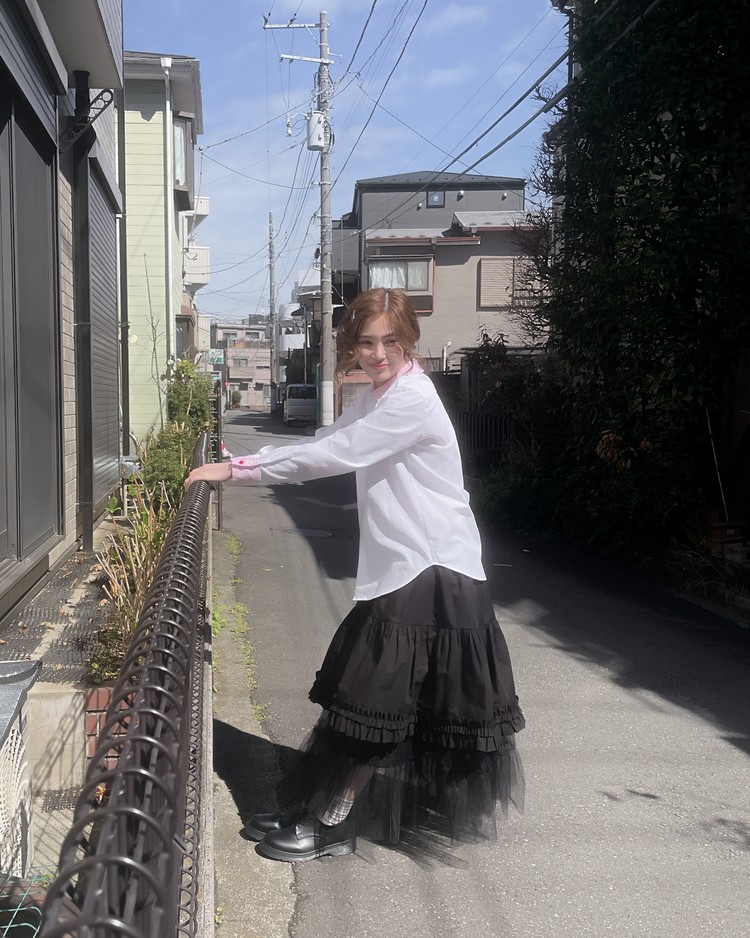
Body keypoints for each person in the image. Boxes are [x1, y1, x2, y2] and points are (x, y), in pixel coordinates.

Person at [185, 288, 525, 862]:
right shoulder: (376, 396)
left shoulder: (411, 399)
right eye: (366, 343)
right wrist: (244, 462)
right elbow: (330, 442)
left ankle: (331, 823)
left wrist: (235, 470)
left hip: (434, 567)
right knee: (368, 701)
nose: (378, 353)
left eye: (390, 341)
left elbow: (334, 457)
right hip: (403, 566)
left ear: (409, 340)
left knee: (373, 702)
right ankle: (320, 807)